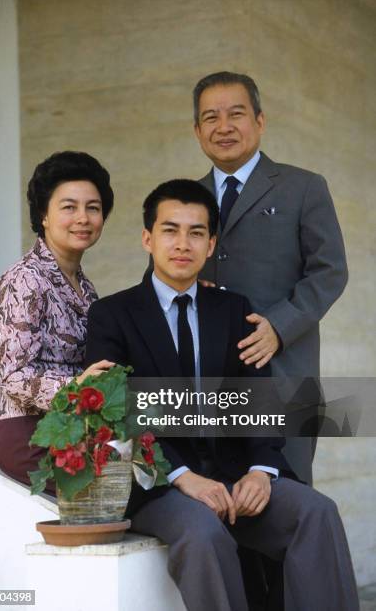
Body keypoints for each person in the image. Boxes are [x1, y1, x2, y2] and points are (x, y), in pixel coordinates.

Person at [85, 179, 359, 611]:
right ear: (147, 238)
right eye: (170, 230)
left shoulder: (233, 311)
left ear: (211, 245)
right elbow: (119, 414)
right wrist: (182, 478)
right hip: (158, 486)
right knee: (203, 531)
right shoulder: (112, 316)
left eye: (196, 233)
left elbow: (259, 401)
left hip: (234, 474)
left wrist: (261, 470)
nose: (182, 243)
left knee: (316, 512)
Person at [193, 71, 348, 485]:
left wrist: (279, 326)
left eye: (235, 114)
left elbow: (330, 270)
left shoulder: (304, 188)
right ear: (197, 130)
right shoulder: (186, 199)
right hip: (206, 389)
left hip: (284, 379)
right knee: (220, 515)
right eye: (210, 117)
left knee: (286, 510)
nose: (223, 127)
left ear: (259, 121)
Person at [0, 151, 114, 491]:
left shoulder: (85, 287)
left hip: (75, 427)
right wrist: (75, 388)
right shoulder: (24, 279)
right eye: (68, 207)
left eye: (93, 207)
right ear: (44, 214)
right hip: (31, 435)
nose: (83, 218)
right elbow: (14, 376)